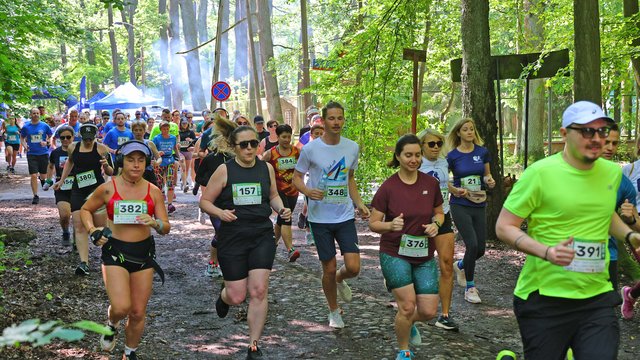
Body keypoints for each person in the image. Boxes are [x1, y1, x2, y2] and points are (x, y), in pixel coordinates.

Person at [495, 100, 640, 359]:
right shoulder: (540, 173)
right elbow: (505, 227)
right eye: (586, 131)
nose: (596, 138)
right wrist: (547, 251)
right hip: (544, 299)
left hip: (596, 296)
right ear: (564, 134)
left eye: (602, 131)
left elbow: (603, 214)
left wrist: (629, 235)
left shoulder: (611, 173)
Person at [200, 125, 291, 359]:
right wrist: (220, 214)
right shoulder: (224, 170)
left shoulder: (266, 168)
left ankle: (253, 345)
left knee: (259, 290)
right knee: (238, 296)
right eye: (244, 144)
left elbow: (272, 195)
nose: (250, 148)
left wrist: (282, 209)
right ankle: (224, 296)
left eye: (253, 143)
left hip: (261, 234)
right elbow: (205, 202)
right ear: (234, 147)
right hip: (233, 237)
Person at [80, 140, 170, 360]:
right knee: (121, 307)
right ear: (121, 161)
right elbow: (85, 209)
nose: (136, 165)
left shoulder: (154, 191)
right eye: (131, 160)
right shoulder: (108, 187)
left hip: (143, 254)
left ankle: (130, 352)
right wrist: (93, 230)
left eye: (141, 160)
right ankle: (112, 322)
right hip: (115, 252)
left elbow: (165, 227)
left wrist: (155, 223)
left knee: (138, 312)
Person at [292, 101, 370, 328]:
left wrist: (359, 203)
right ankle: (334, 311)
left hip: (344, 215)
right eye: (332, 118)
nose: (336, 122)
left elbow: (350, 178)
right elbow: (297, 178)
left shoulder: (351, 147)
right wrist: (307, 191)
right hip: (319, 218)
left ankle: (339, 280)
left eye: (340, 118)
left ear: (344, 120)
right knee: (329, 267)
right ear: (323, 121)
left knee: (353, 268)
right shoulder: (310, 149)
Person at [369, 134, 443, 360]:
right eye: (408, 155)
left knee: (429, 311)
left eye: (417, 155)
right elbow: (373, 223)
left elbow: (439, 212)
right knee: (408, 306)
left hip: (424, 254)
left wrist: (436, 225)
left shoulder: (430, 183)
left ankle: (408, 322)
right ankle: (404, 350)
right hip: (395, 253)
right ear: (398, 157)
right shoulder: (388, 188)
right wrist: (390, 225)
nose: (414, 159)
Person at [53, 123, 114, 275]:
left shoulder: (101, 148)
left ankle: (107, 256)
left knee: (101, 226)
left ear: (95, 137)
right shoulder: (73, 147)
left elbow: (112, 171)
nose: (88, 142)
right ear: (81, 136)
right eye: (85, 139)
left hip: (96, 190)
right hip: (78, 189)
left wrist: (105, 166)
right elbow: (70, 162)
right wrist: (61, 180)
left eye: (90, 139)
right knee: (79, 225)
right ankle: (83, 263)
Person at [446, 118, 495, 304]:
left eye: (472, 129)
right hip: (459, 204)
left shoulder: (482, 152)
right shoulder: (452, 156)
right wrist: (454, 190)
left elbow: (486, 175)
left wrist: (490, 181)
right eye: (465, 129)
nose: (469, 132)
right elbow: (445, 180)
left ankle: (460, 265)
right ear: (458, 133)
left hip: (479, 202)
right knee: (472, 245)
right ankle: (470, 287)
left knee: (480, 249)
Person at [417, 128, 458, 331]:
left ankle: (445, 315)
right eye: (431, 144)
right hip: (418, 219)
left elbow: (443, 184)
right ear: (422, 145)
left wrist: (455, 189)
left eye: (438, 144)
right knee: (417, 263)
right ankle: (411, 304)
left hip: (443, 216)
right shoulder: (415, 163)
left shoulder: (444, 162)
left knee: (447, 264)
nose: (435, 147)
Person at [600, 123, 640, 292]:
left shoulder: (621, 181)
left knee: (604, 312)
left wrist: (630, 218)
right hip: (569, 255)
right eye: (605, 142)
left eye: (614, 143)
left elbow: (636, 225)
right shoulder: (567, 174)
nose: (610, 148)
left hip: (608, 256)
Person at [195, 116, 237, 278]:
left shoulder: (239, 160)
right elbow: (199, 178)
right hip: (216, 204)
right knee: (222, 232)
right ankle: (214, 263)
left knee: (232, 234)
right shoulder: (211, 159)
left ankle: (235, 266)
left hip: (236, 203)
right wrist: (215, 183)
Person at [262, 124, 301, 262]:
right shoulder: (270, 153)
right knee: (286, 217)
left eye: (289, 136)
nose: (286, 139)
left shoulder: (297, 152)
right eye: (283, 137)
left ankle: (271, 245)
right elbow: (260, 167)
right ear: (277, 137)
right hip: (278, 191)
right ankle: (290, 250)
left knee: (280, 219)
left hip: (293, 190)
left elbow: (305, 166)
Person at [44, 125, 75, 245]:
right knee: (65, 215)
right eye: (62, 138)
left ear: (73, 137)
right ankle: (66, 231)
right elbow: (51, 166)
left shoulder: (79, 152)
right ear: (59, 139)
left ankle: (78, 240)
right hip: (62, 188)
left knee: (78, 218)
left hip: (78, 188)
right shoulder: (55, 153)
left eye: (68, 137)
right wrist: (48, 180)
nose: (65, 140)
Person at [21, 107, 53, 204]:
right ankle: (35, 195)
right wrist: (25, 146)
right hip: (32, 154)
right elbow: (22, 138)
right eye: (34, 113)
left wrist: (46, 142)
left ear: (40, 114)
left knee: (44, 175)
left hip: (43, 153)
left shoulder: (44, 126)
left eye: (37, 113)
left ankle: (42, 180)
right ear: (30, 115)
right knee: (34, 175)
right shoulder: (26, 127)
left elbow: (51, 136)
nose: (35, 115)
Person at [152, 120, 180, 214]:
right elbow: (152, 149)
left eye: (167, 128)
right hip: (159, 161)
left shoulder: (172, 138)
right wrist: (156, 154)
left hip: (170, 161)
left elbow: (175, 148)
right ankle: (159, 204)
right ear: (160, 129)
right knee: (159, 183)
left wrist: (178, 156)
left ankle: (170, 204)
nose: (166, 130)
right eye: (164, 128)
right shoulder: (156, 138)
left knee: (170, 182)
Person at [179, 119, 196, 192]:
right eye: (183, 123)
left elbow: (195, 140)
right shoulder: (178, 132)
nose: (184, 125)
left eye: (186, 123)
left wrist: (191, 140)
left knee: (187, 169)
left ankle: (184, 182)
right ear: (181, 124)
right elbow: (176, 141)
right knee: (183, 167)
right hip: (181, 152)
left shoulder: (191, 132)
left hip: (188, 151)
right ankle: (184, 184)